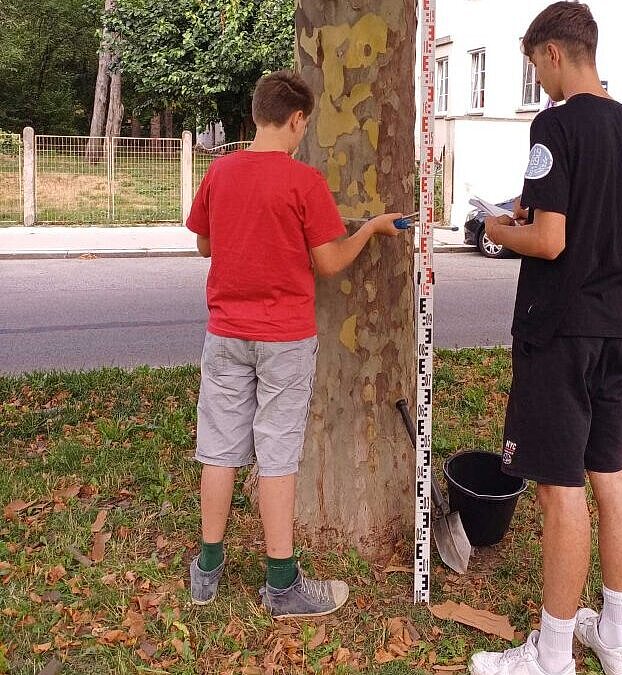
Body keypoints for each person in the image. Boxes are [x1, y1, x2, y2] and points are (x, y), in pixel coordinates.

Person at [468, 3, 622, 675]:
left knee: (559, 489)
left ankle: (550, 654)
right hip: (614, 328)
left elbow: (549, 238)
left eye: (534, 66)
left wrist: (499, 230)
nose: (538, 81)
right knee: (610, 476)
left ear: (554, 53)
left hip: (558, 333)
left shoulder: (554, 124)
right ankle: (614, 633)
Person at [185, 69, 402, 618]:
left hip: (226, 333)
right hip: (284, 339)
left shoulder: (219, 172)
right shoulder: (303, 182)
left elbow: (204, 246)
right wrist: (372, 228)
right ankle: (281, 582)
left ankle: (207, 569)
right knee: (276, 454)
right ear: (297, 119)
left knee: (219, 448)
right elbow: (328, 262)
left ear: (256, 114)